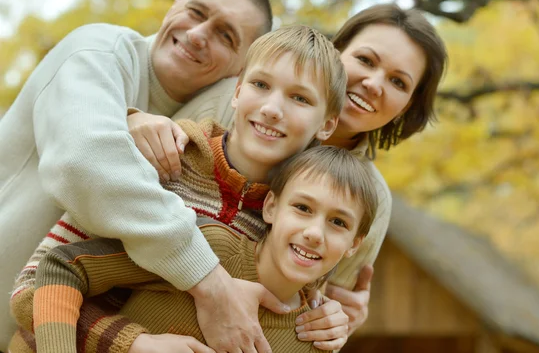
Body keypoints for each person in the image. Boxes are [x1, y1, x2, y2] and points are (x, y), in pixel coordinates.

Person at [9, 25, 350, 352]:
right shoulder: (163, 159)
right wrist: (134, 344)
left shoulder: (298, 224)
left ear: (328, 124)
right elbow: (32, 289)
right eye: (261, 84)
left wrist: (325, 317)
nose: (272, 109)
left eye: (300, 98)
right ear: (237, 91)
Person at [0, 0, 280, 352]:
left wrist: (322, 300)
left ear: (240, 70)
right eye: (197, 12)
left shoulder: (215, 138)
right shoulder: (99, 48)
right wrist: (211, 283)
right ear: (175, 4)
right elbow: (83, 163)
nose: (199, 34)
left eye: (225, 35)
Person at [133, 4, 449, 338]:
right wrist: (132, 119)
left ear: (408, 106)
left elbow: (314, 307)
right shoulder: (239, 99)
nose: (373, 83)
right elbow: (154, 152)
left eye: (398, 82)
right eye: (366, 60)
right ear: (336, 53)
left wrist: (336, 321)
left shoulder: (374, 197)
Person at [19, 146, 377, 353]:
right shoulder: (207, 249)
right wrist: (130, 342)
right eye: (302, 208)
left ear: (353, 245)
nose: (315, 233)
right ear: (270, 208)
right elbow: (62, 265)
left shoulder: (315, 340)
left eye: (338, 223)